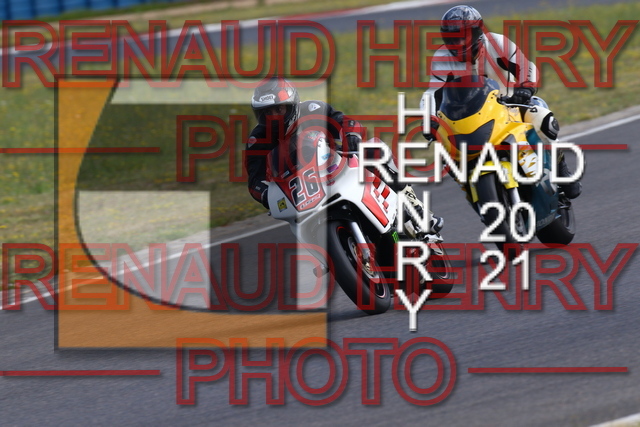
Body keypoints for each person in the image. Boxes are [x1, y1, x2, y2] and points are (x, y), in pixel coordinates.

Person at [244, 77, 444, 237]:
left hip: (336, 164)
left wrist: (351, 137)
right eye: (267, 113)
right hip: (301, 190)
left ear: (292, 104)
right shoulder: (257, 139)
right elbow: (254, 181)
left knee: (375, 148)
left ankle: (415, 207)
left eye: (279, 109)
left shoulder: (312, 109)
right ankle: (327, 259)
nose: (274, 117)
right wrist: (265, 194)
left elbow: (345, 122)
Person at [422, 5, 581, 199]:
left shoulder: (498, 43)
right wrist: (429, 119)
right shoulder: (441, 58)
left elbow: (525, 66)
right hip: (466, 117)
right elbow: (433, 93)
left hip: (508, 105)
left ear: (477, 32)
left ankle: (560, 167)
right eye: (452, 38)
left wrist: (525, 88)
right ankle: (472, 192)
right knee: (444, 151)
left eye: (464, 36)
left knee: (541, 114)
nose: (459, 43)